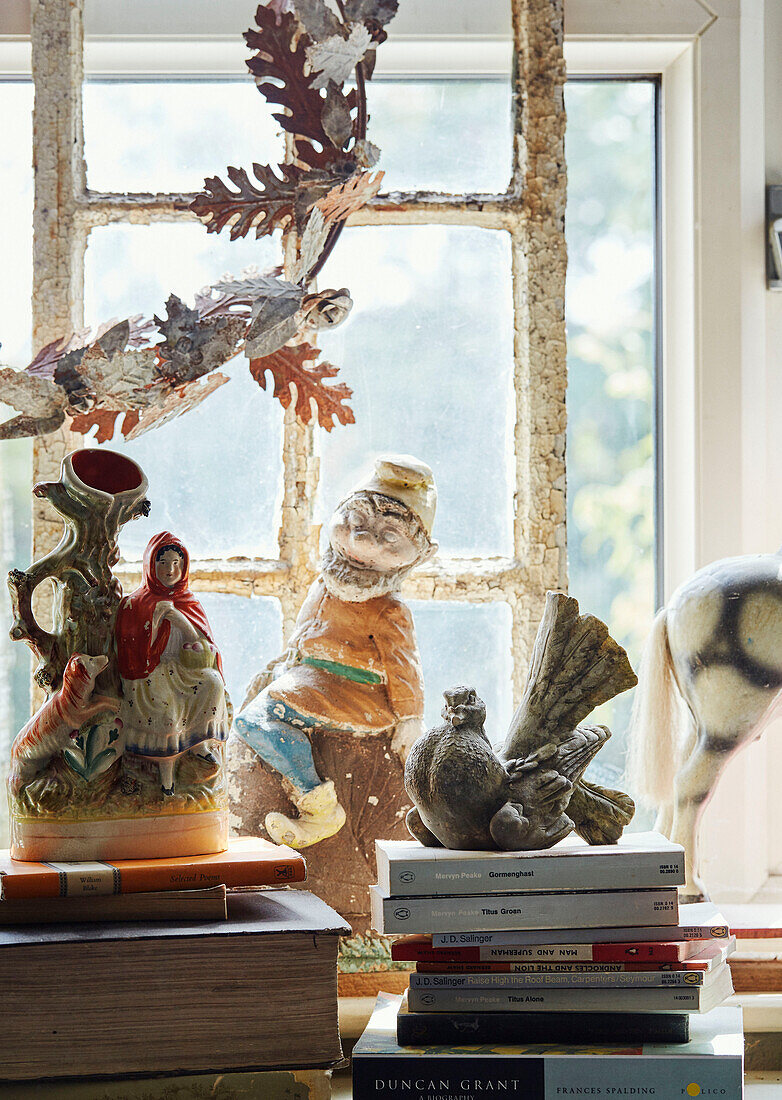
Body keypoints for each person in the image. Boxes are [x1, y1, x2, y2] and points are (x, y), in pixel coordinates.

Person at [233, 455, 437, 847]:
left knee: (254, 721)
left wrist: (410, 719)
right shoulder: (325, 583)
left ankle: (318, 806)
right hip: (308, 680)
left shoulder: (390, 610)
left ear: (421, 553)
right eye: (355, 522)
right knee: (251, 717)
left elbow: (404, 668)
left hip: (350, 694)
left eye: (388, 536)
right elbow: (305, 635)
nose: (362, 542)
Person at [115, 531, 232, 794]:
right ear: (150, 565)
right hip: (149, 674)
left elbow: (204, 651)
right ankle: (166, 776)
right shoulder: (134, 604)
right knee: (166, 709)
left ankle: (199, 745)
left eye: (176, 564)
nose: (170, 569)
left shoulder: (189, 602)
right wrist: (155, 622)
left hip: (183, 671)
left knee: (212, 683)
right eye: (163, 563)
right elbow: (130, 653)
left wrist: (181, 621)